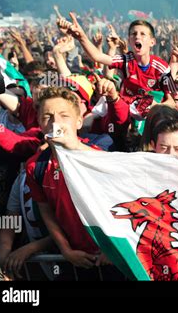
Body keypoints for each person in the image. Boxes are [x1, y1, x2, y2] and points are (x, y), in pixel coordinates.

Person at [25, 87, 114, 274]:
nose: (55, 122)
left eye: (64, 115)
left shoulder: (99, 158)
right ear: (40, 124)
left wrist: (113, 249)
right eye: (47, 116)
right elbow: (46, 211)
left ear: (79, 121)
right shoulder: (36, 167)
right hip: (73, 260)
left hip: (110, 258)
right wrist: (66, 250)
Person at [57, 13, 178, 119]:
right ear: (129, 40)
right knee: (90, 122)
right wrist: (81, 36)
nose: (137, 36)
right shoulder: (125, 60)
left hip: (152, 117)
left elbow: (175, 102)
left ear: (152, 42)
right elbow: (97, 57)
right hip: (125, 113)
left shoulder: (162, 67)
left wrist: (155, 106)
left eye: (143, 34)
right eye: (133, 34)